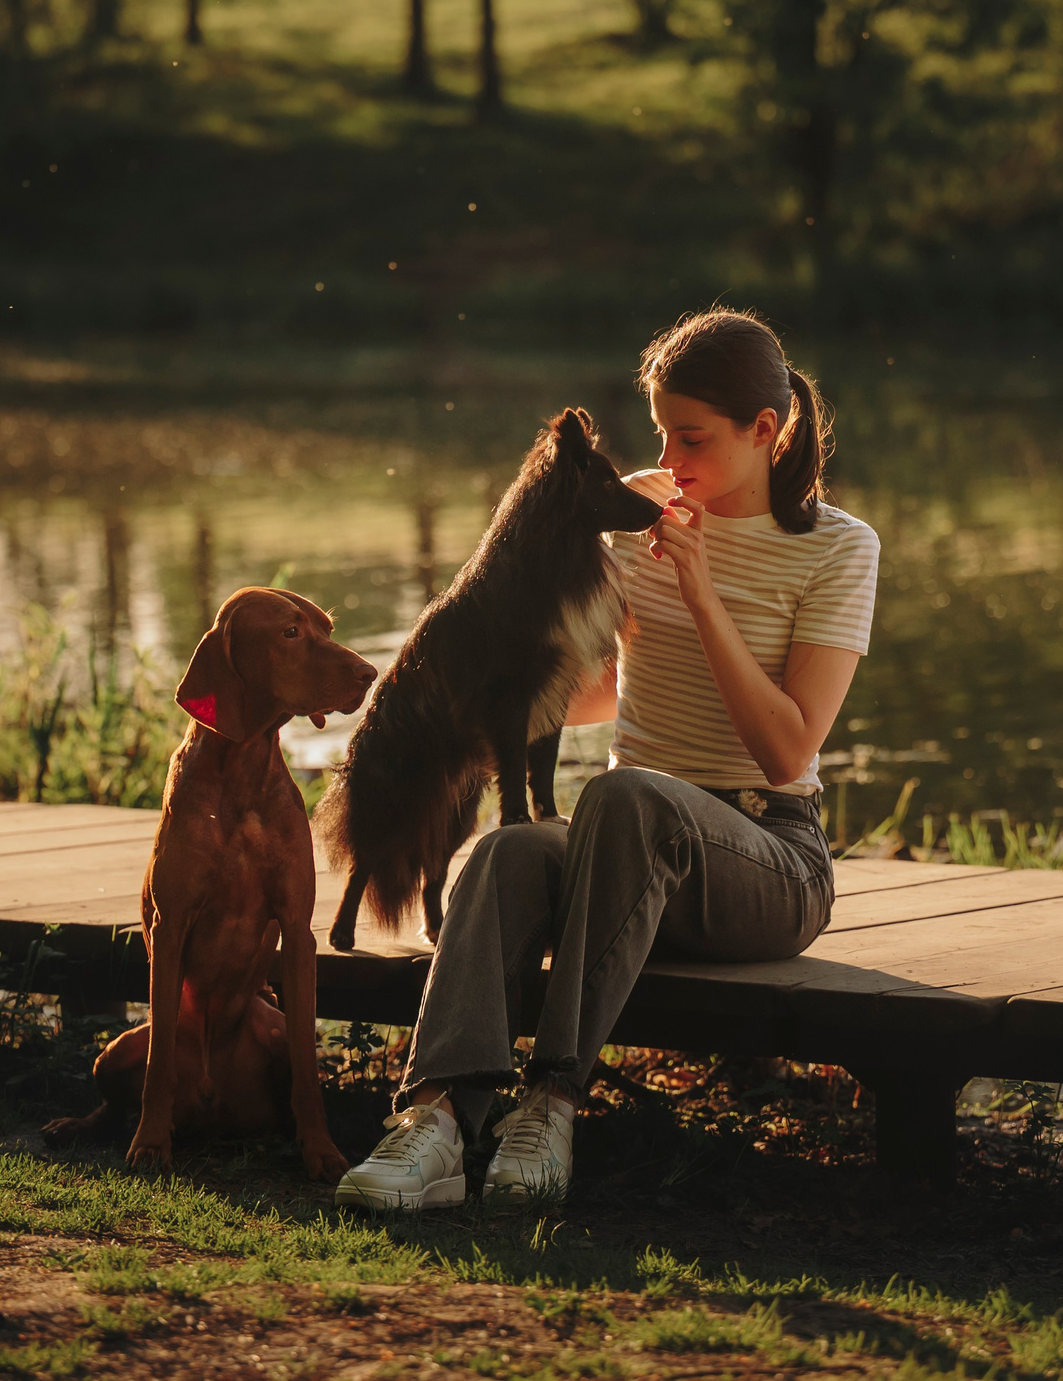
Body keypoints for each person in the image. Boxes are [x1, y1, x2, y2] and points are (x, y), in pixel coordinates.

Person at [335, 309, 880, 1210]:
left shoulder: (836, 547)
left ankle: (549, 1104)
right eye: (662, 427)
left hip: (765, 855)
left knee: (626, 796)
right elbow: (589, 689)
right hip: (621, 857)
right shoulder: (632, 513)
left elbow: (788, 746)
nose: (670, 452)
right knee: (508, 847)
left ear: (766, 431)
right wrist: (449, 709)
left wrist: (700, 588)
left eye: (693, 435)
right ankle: (433, 1120)